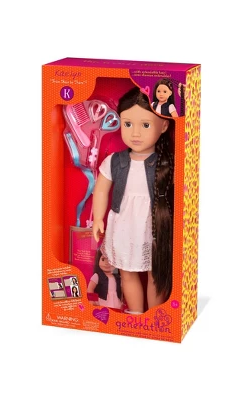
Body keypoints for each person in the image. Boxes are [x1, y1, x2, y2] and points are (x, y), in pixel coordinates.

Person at [92, 86, 174, 314]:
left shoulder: (166, 163)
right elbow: (101, 191)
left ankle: (155, 316)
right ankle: (136, 315)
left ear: (164, 126)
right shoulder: (115, 161)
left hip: (154, 226)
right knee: (127, 273)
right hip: (124, 225)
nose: (135, 133)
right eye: (128, 124)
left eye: (145, 125)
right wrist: (98, 218)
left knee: (156, 274)